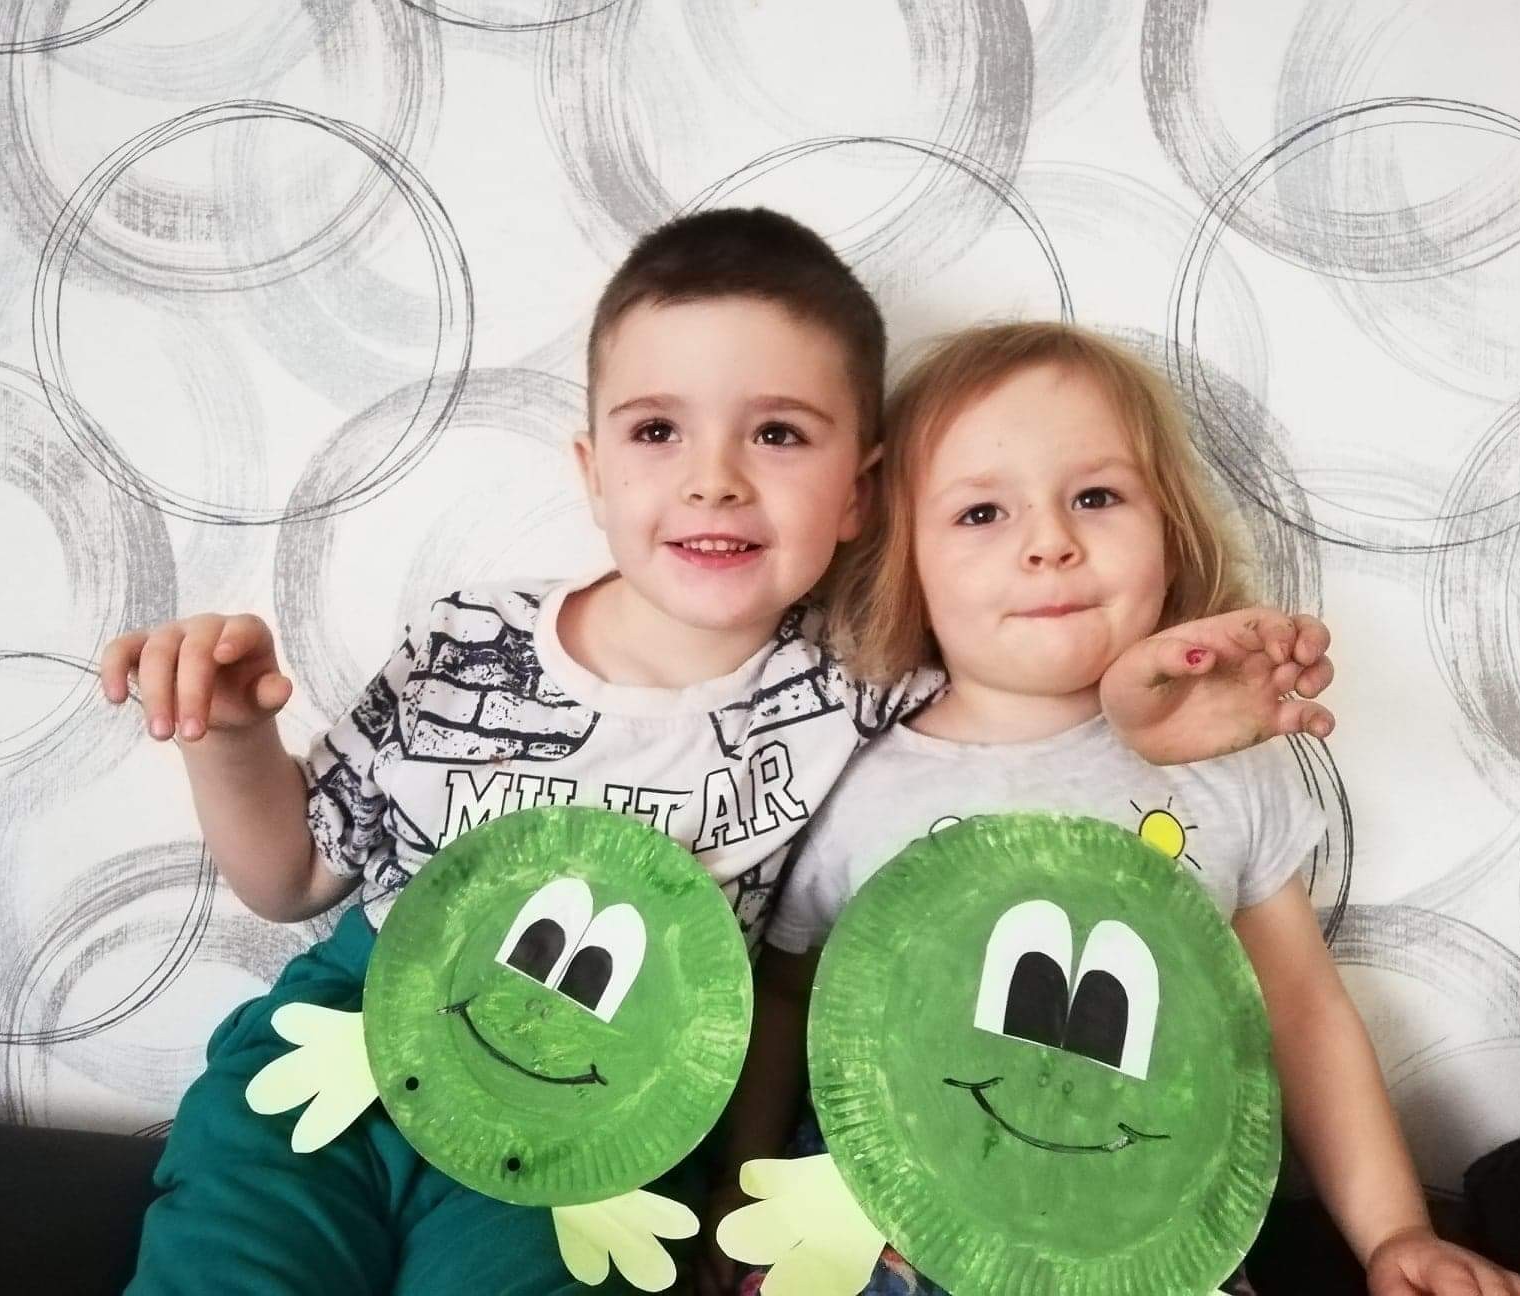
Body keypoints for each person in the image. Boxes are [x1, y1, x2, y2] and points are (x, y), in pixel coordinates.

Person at [102, 219, 1333, 1295]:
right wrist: (231, 736)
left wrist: (1144, 701)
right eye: (657, 429)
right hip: (345, 1050)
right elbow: (288, 880)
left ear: (859, 496)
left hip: (597, 1124)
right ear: (592, 471)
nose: (714, 481)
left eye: (778, 433)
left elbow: (1028, 675)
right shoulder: (468, 640)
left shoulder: (862, 678)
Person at [736, 321, 1520, 1296]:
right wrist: (737, 1198)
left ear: (1171, 533)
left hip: (1145, 1240)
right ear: (903, 559)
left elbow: (1299, 1008)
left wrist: (1394, 1234)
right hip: (892, 1239)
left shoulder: (1224, 772)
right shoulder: (858, 781)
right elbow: (789, 998)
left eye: (1096, 496)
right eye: (982, 512)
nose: (1050, 543)